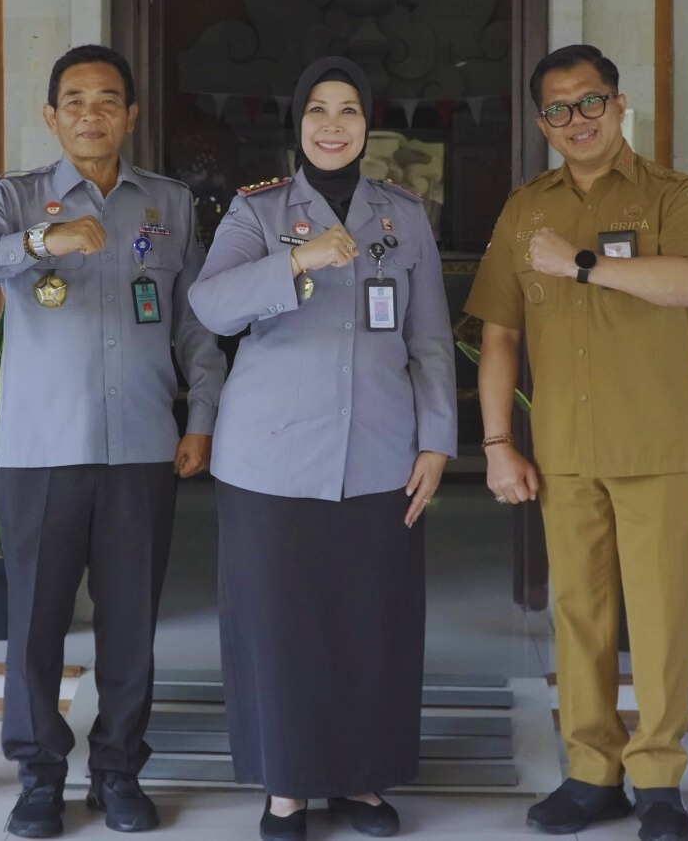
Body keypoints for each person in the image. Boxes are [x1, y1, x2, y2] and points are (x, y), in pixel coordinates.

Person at [0, 44, 225, 838]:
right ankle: (39, 777)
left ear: (130, 115)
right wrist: (43, 242)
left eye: (107, 101)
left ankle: (118, 770)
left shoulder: (168, 203)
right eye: (74, 101)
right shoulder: (14, 197)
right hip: (41, 451)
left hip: (141, 446)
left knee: (131, 625)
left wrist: (202, 417)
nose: (91, 115)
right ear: (51, 115)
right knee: (34, 624)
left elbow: (196, 323)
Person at [188, 56, 457, 841]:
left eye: (349, 110)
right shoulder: (258, 212)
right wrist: (296, 260)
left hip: (380, 452)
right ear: (297, 123)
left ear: (369, 125)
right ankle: (287, 789)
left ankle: (360, 781)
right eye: (318, 109)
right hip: (270, 459)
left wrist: (438, 441)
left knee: (369, 624)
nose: (332, 125)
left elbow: (430, 338)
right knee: (281, 629)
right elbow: (211, 305)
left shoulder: (402, 215)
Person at [464, 44, 688, 841]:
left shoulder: (671, 193)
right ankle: (591, 773)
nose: (575, 119)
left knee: (660, 619)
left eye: (589, 102)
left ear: (617, 104)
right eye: (558, 108)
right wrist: (498, 441)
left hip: (654, 445)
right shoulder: (525, 210)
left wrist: (581, 265)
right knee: (579, 615)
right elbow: (500, 334)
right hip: (565, 450)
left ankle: (659, 781)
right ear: (542, 123)